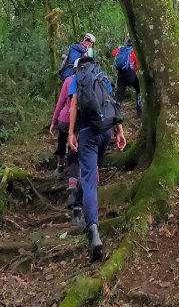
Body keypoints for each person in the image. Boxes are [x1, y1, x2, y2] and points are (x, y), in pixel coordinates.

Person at [68, 54, 126, 262]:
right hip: (106, 132)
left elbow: (74, 104)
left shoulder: (78, 78)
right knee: (92, 171)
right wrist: (120, 131)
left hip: (88, 133)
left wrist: (71, 133)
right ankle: (79, 200)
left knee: (90, 178)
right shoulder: (101, 76)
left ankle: (93, 229)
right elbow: (112, 102)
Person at [49, 74, 82, 216]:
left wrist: (53, 121)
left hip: (65, 119)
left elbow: (60, 102)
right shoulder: (93, 78)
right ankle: (75, 182)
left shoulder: (69, 80)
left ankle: (61, 167)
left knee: (62, 138)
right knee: (76, 151)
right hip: (81, 122)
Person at [112, 38, 142, 116]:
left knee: (119, 95)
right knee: (139, 89)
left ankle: (115, 114)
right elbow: (137, 65)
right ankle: (139, 111)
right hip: (130, 73)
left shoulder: (120, 49)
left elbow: (113, 53)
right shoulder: (134, 51)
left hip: (120, 74)